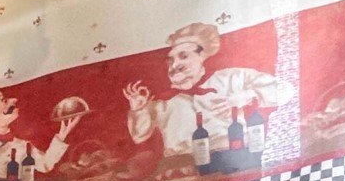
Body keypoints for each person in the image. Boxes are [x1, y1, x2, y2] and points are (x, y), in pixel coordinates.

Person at [124, 23, 293, 160]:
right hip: (180, 170)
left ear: (202, 56)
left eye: (183, 56)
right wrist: (138, 110)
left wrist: (249, 95)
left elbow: (287, 90)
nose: (175, 65)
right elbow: (139, 136)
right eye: (170, 61)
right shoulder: (163, 102)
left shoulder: (231, 78)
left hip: (233, 159)